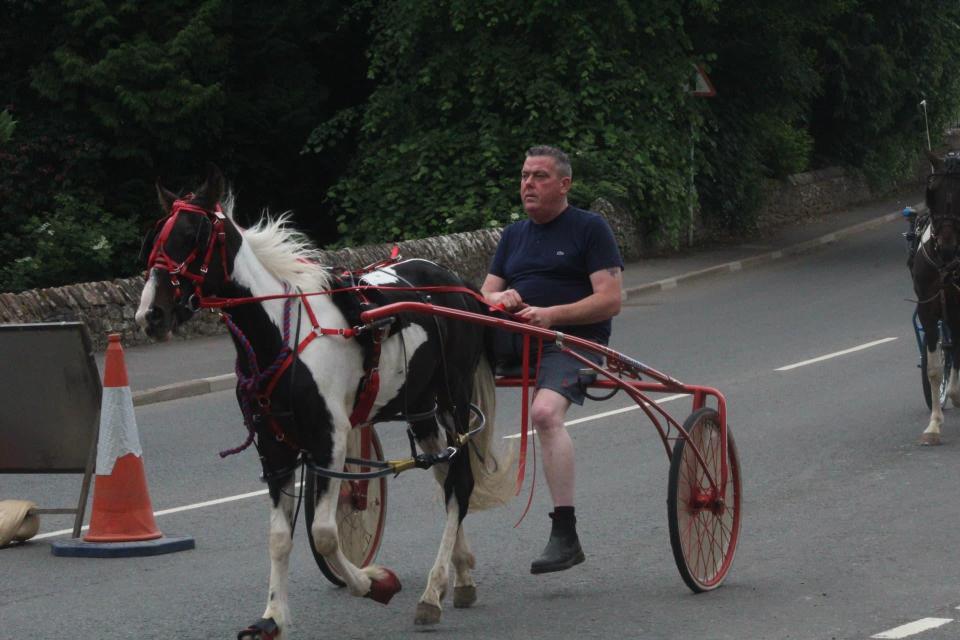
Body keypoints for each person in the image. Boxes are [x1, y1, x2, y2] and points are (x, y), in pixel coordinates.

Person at [481, 145, 623, 574]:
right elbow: (481, 295)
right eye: (524, 175)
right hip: (515, 340)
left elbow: (611, 299)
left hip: (573, 341)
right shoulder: (512, 235)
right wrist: (498, 297)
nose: (528, 184)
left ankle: (566, 532)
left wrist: (551, 316)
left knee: (544, 413)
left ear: (564, 185)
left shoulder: (590, 228)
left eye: (539, 176)